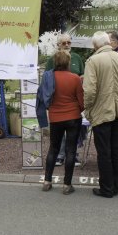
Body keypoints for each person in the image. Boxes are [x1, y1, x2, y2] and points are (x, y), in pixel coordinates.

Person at [83, 31, 118, 198]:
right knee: (116, 150)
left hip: (101, 113)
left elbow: (89, 91)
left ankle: (106, 188)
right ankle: (115, 186)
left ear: (95, 45)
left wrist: (88, 109)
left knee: (104, 152)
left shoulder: (93, 61)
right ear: (108, 43)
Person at [41, 51, 84, 194]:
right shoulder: (75, 78)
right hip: (73, 117)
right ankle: (67, 185)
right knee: (70, 150)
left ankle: (47, 181)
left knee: (53, 148)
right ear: (67, 63)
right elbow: (81, 100)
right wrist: (80, 108)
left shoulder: (49, 78)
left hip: (55, 117)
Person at [46, 33, 84, 166]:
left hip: (75, 102)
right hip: (58, 103)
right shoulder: (52, 60)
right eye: (64, 43)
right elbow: (47, 81)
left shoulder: (77, 58)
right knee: (59, 134)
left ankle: (73, 155)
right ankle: (60, 155)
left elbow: (83, 76)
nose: (67, 45)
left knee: (75, 133)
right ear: (58, 45)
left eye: (69, 42)